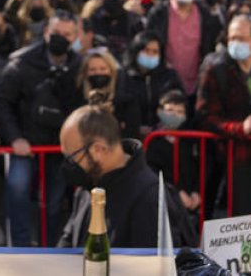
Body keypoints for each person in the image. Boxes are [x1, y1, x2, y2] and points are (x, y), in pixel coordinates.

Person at [0, 11, 84, 246]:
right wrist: (15, 138)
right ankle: (20, 247)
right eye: (57, 33)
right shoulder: (22, 61)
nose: (61, 38)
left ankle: (50, 247)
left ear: (75, 36)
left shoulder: (80, 65)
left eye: (67, 34)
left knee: (54, 201)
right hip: (25, 145)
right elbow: (0, 101)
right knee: (17, 190)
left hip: (60, 148)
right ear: (47, 32)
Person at [56, 104, 195, 248]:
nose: (68, 165)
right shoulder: (87, 188)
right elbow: (68, 239)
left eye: (71, 157)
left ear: (98, 149)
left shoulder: (149, 199)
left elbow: (152, 267)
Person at [196, 14, 251, 215]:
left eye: (241, 39)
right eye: (232, 38)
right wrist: (240, 127)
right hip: (230, 158)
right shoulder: (215, 69)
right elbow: (205, 116)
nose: (235, 43)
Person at [144, 0, 221, 96]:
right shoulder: (159, 14)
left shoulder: (205, 15)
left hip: (197, 83)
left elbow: (211, 45)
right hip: (165, 81)